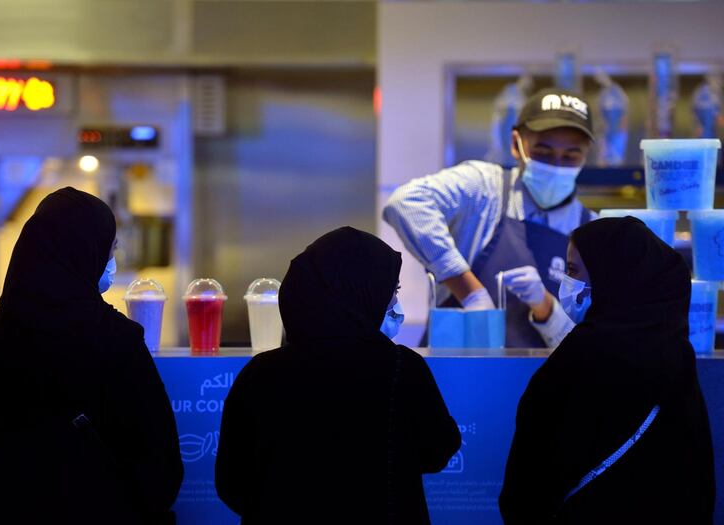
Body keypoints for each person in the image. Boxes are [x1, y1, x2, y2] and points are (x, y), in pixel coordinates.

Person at [0, 187, 183, 525]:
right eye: (110, 249)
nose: (112, 260)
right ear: (86, 253)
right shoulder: (117, 339)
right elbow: (160, 467)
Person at [215, 226, 461, 524]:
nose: (393, 303)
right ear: (364, 293)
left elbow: (232, 483)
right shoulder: (401, 368)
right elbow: (437, 451)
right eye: (390, 292)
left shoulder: (259, 374)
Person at [499, 217, 715, 524]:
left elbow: (530, 478)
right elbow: (696, 474)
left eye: (573, 271)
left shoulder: (579, 356)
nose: (565, 284)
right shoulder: (675, 353)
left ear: (609, 276)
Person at [383, 88, 596, 347]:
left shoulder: (593, 230)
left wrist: (546, 307)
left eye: (571, 155)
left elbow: (586, 344)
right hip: (456, 374)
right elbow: (406, 202)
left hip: (541, 382)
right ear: (516, 144)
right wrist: (471, 292)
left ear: (585, 155)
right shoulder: (485, 189)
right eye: (543, 151)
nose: (556, 165)